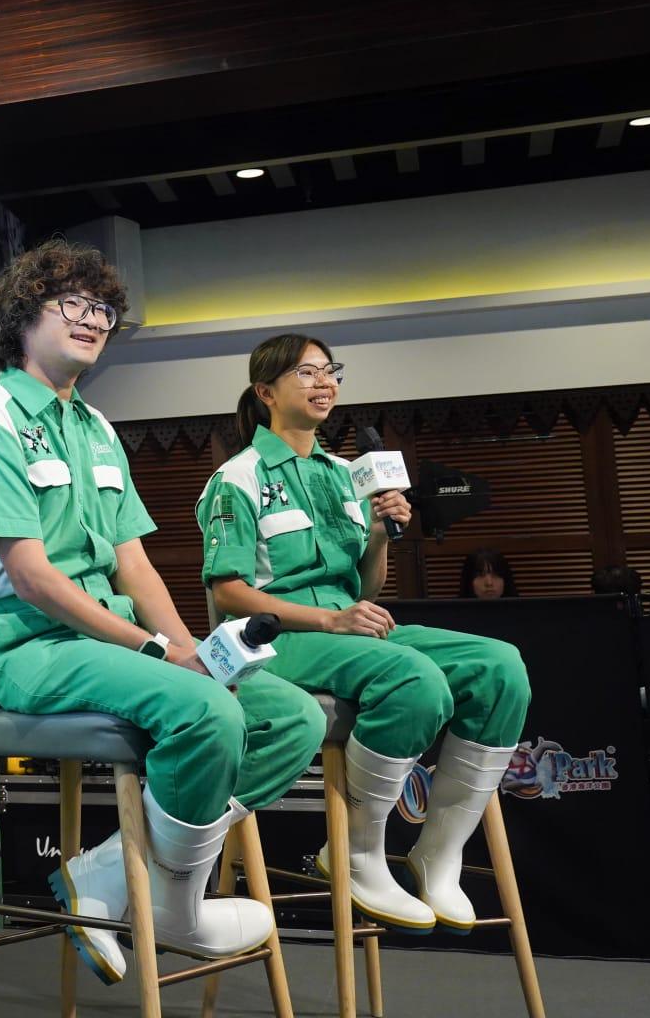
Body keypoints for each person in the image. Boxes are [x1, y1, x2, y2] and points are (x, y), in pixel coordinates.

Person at [0, 240, 323, 984]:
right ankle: (175, 907)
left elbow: (134, 564)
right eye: (73, 305)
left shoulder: (96, 429)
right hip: (24, 647)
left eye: (103, 309)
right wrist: (156, 652)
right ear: (23, 315)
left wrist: (194, 649)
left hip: (108, 642)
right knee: (207, 716)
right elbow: (32, 579)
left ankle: (116, 874)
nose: (93, 320)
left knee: (290, 717)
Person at [198, 334, 531, 934]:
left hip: (347, 629)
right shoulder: (236, 477)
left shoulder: (343, 475)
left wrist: (379, 532)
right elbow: (227, 593)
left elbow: (366, 590)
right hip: (277, 639)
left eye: (331, 371)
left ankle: (438, 850)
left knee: (500, 666)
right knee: (412, 678)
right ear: (266, 391)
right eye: (307, 372)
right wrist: (330, 618)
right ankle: (355, 852)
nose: (325, 382)